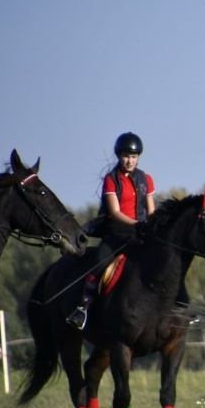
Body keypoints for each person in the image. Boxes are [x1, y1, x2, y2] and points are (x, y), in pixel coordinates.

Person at [66, 132, 156, 329]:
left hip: (141, 233)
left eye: (133, 157)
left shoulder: (146, 179)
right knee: (99, 261)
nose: (130, 161)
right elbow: (115, 211)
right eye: (126, 156)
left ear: (138, 157)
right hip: (116, 233)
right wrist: (135, 224)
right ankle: (83, 307)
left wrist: (153, 225)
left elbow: (151, 210)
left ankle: (178, 303)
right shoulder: (111, 179)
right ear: (119, 156)